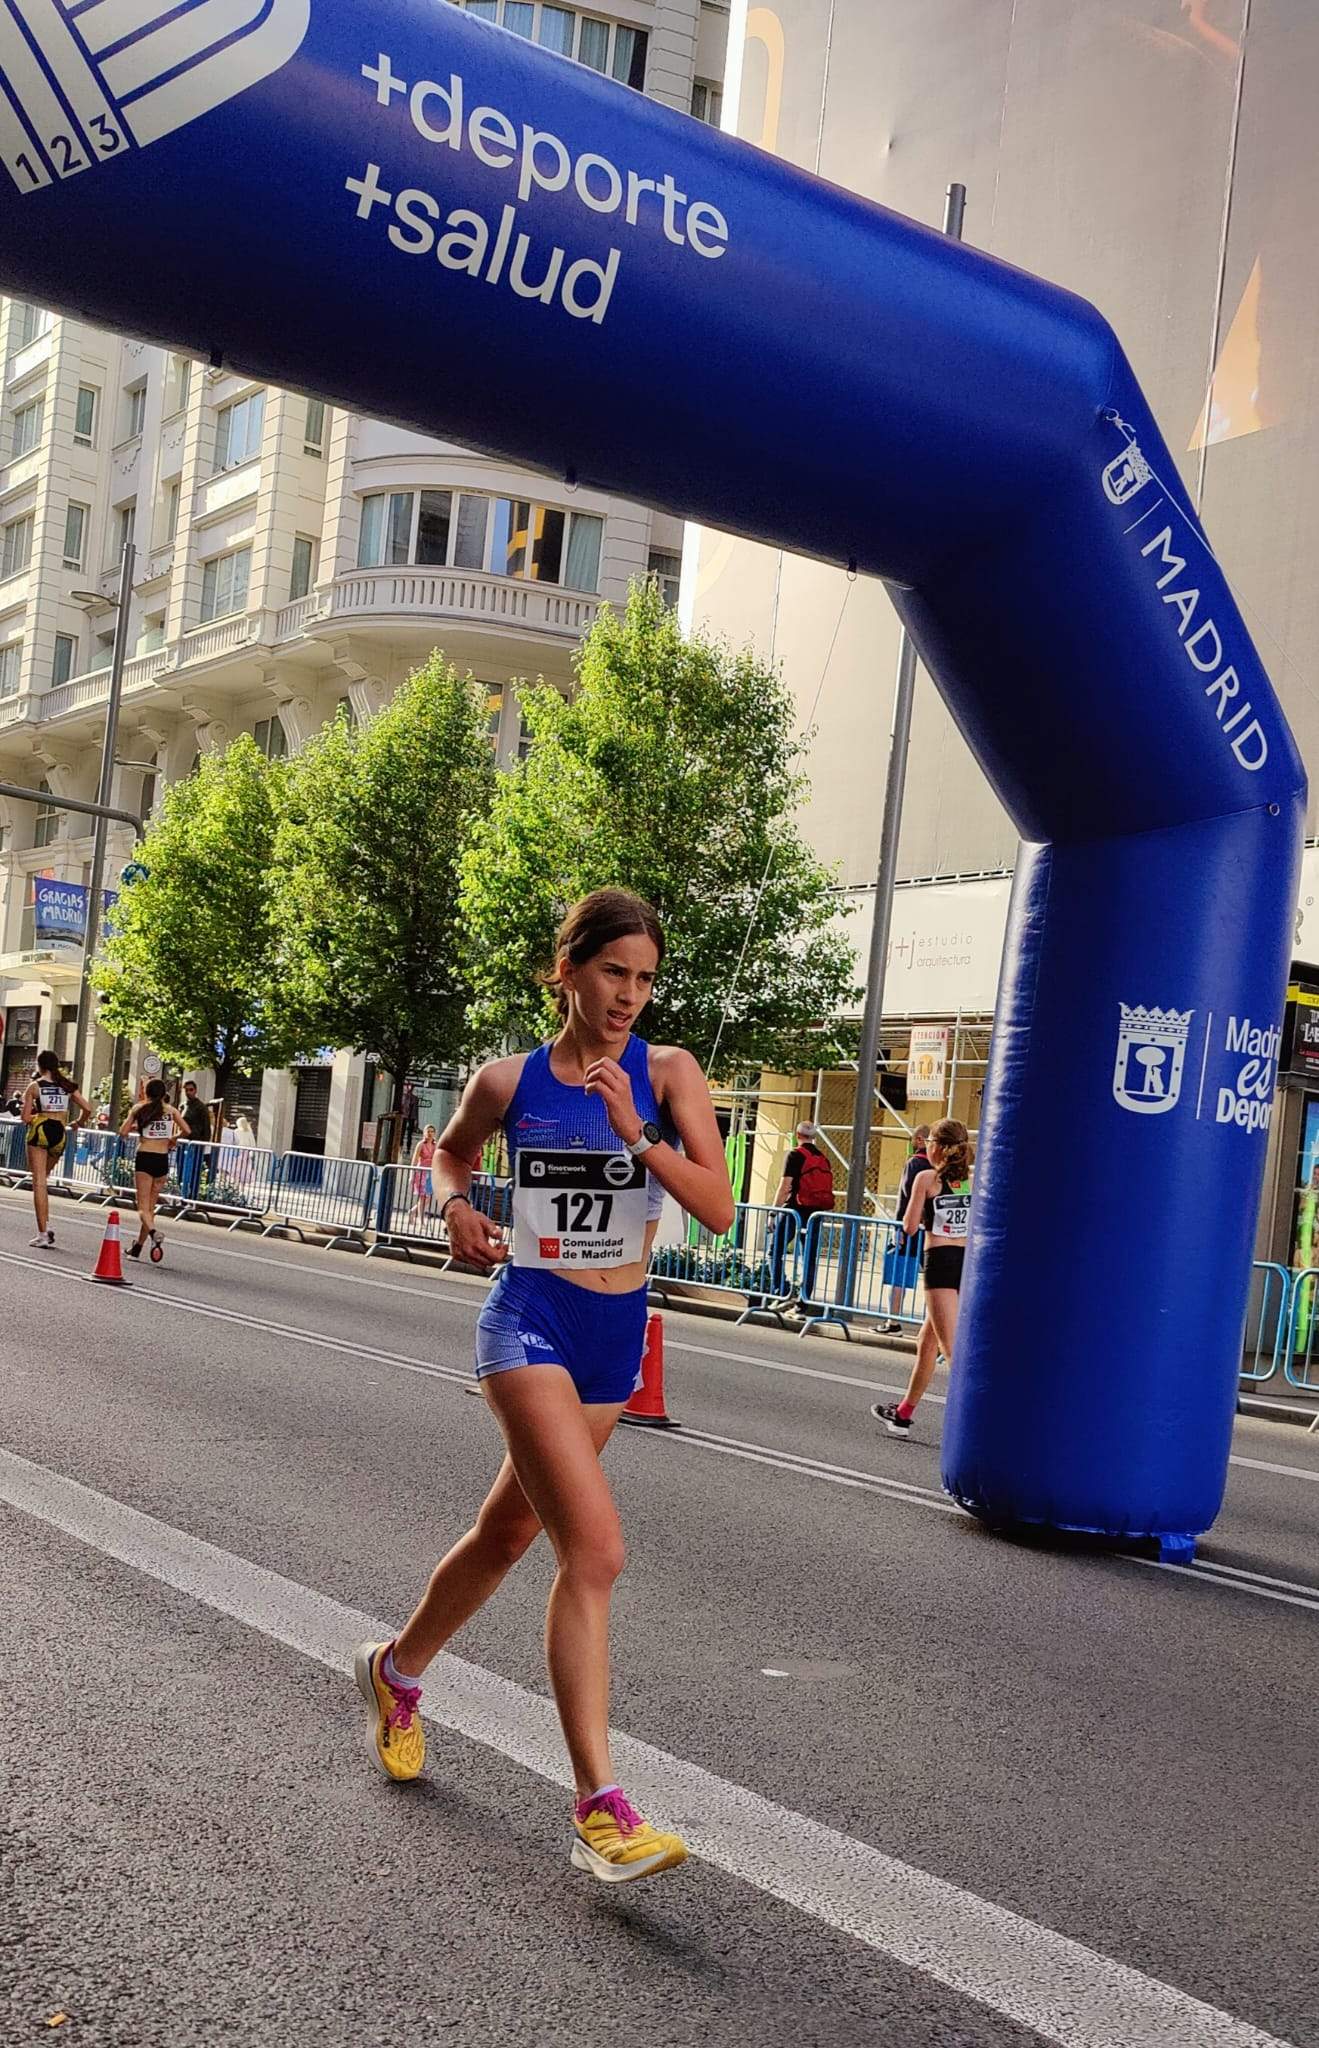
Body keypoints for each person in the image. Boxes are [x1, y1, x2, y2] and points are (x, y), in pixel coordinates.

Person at [353, 888, 733, 1883]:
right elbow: (450, 1152)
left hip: (615, 1336)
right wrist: (454, 1206)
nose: (630, 996)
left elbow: (719, 1208)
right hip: (527, 1318)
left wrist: (637, 1131)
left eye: (646, 978)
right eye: (614, 972)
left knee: (508, 1532)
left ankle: (395, 1670)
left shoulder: (669, 1071)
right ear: (564, 970)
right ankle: (600, 1806)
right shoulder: (507, 1078)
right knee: (595, 1549)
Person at [873, 1117, 972, 1437]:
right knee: (927, 1341)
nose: (925, 1147)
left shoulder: (927, 1179)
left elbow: (911, 1225)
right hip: (966, 1265)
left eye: (928, 1142)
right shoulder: (972, 1180)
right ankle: (903, 1413)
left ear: (938, 1148)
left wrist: (911, 1217)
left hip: (940, 1264)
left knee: (951, 1350)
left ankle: (977, 1427)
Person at [21, 1050, 92, 1249]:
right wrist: (78, 1123)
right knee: (44, 1177)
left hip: (41, 1129)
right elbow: (88, 1108)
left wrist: (37, 1117)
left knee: (39, 1182)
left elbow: (25, 1118)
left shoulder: (35, 1086)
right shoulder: (66, 1086)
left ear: (39, 1066)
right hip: (60, 1132)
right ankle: (45, 1228)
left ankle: (43, 1232)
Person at [120, 1078, 189, 1262]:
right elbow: (187, 1130)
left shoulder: (139, 1108)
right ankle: (137, 1248)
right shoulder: (170, 1110)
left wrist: (136, 1127)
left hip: (145, 1156)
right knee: (151, 1208)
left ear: (147, 1092)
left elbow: (123, 1131)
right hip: (162, 1158)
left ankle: (153, 1233)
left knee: (142, 1208)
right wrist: (172, 1138)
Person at [773, 1121, 836, 1311]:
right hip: (815, 1213)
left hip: (794, 1210)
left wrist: (774, 1210)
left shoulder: (794, 1155)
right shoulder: (823, 1158)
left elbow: (785, 1186)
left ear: (797, 1135)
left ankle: (781, 1291)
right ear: (814, 1136)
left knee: (775, 1250)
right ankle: (803, 1301)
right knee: (808, 1256)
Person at [880, 1124, 930, 1333]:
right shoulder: (941, 1165)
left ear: (919, 1140)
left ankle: (893, 1321)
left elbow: (905, 1196)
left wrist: (899, 1226)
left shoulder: (914, 1163)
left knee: (898, 1273)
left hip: (911, 1227)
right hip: (932, 1228)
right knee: (932, 1278)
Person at [409, 1122, 438, 1218]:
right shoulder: (420, 1144)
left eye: (432, 1131)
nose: (430, 1133)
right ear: (424, 1133)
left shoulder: (435, 1145)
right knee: (422, 1197)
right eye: (428, 1131)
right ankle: (421, 1221)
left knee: (428, 1197)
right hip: (421, 1172)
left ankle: (413, 1211)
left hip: (431, 1173)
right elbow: (415, 1160)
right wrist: (411, 1175)